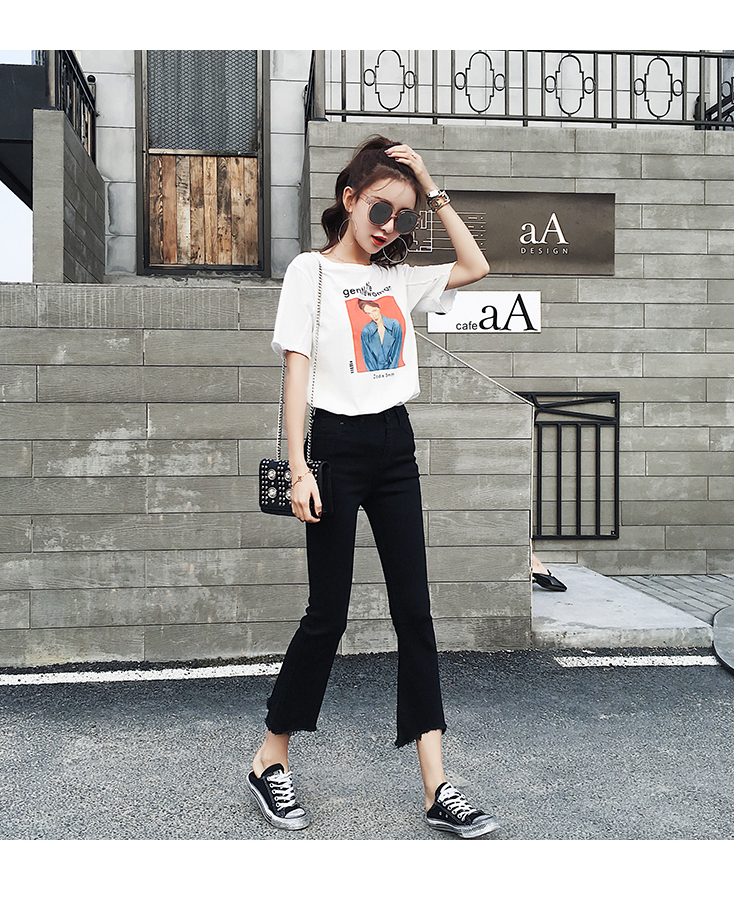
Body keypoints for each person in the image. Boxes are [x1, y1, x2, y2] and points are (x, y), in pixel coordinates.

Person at [247, 136, 500, 839]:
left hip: (394, 445)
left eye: (403, 217)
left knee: (414, 613)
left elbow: (476, 265)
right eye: (380, 209)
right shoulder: (310, 273)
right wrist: (297, 466)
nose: (389, 226)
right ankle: (271, 757)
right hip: (334, 446)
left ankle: (438, 785)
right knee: (326, 613)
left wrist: (430, 187)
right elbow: (297, 371)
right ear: (350, 199)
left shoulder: (397, 278)